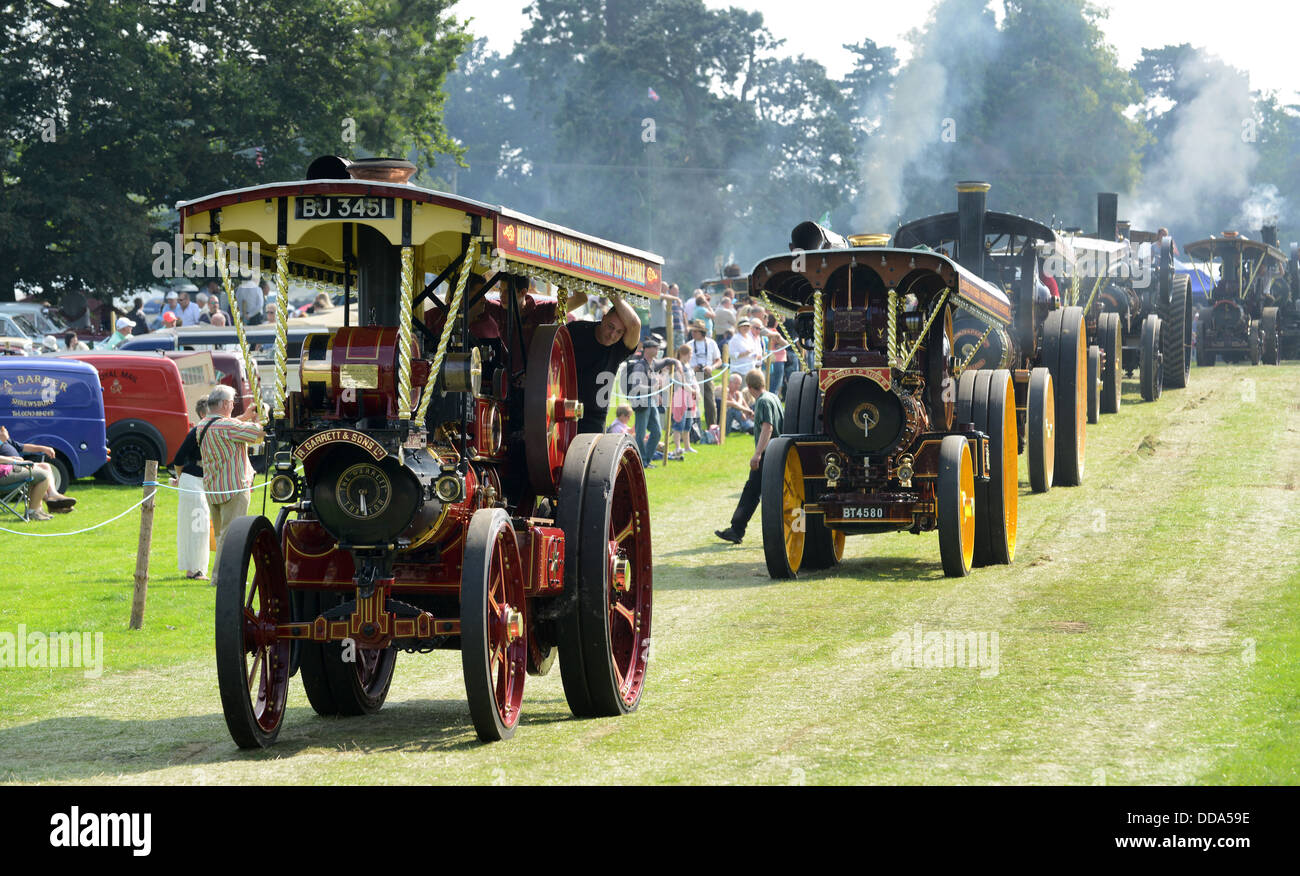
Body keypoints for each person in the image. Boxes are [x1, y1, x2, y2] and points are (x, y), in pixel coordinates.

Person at [199, 385, 264, 586]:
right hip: (234, 488)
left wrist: (244, 416)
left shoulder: (203, 425)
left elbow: (230, 426)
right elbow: (259, 433)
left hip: (213, 489)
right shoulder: (227, 426)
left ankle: (224, 576)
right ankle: (221, 578)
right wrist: (265, 414)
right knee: (231, 536)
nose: (233, 405)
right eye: (232, 402)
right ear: (225, 404)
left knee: (221, 536)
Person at [715, 369, 783, 544]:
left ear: (749, 387)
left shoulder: (762, 401)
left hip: (768, 454)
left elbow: (768, 428)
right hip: (779, 453)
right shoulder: (773, 397)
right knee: (761, 493)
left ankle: (736, 530)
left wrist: (757, 454)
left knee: (751, 492)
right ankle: (737, 529)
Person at [563, 288, 640, 434]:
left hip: (594, 417)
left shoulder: (620, 348)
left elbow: (635, 324)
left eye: (619, 332)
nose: (612, 335)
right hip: (564, 407)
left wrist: (610, 291)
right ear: (603, 318)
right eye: (611, 327)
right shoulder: (577, 330)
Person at [171, 398, 211, 580]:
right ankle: (195, 569)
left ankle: (196, 568)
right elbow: (178, 458)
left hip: (201, 481)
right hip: (193, 480)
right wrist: (180, 478)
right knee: (198, 525)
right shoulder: (196, 432)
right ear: (204, 413)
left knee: (200, 525)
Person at [621, 335, 674, 467]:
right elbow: (637, 387)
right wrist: (654, 388)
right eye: (655, 348)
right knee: (640, 433)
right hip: (641, 403)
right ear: (648, 349)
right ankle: (641, 461)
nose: (658, 350)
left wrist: (676, 363)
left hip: (651, 401)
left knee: (656, 432)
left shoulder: (652, 364)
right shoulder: (640, 365)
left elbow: (667, 361)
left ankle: (646, 460)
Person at [0, 425, 76, 516]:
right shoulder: (2, 441)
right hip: (11, 469)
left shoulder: (7, 441)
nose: (4, 431)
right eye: (2, 430)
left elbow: (23, 447)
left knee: (45, 466)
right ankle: (49, 504)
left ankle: (53, 496)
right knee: (40, 474)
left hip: (20, 466)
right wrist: (2, 442)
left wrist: (43, 448)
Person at [687, 319, 722, 431]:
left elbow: (719, 361)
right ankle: (691, 429)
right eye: (692, 331)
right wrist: (693, 368)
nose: (693, 333)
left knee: (710, 403)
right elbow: (684, 363)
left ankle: (712, 428)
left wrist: (711, 367)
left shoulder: (711, 343)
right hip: (692, 375)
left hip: (707, 374)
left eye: (696, 331)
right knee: (692, 402)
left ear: (702, 332)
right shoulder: (689, 345)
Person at [668, 343, 699, 459]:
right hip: (680, 396)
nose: (691, 356)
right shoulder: (678, 366)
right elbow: (682, 382)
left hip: (690, 396)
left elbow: (693, 380)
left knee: (688, 423)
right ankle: (677, 447)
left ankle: (687, 446)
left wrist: (696, 390)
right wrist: (692, 390)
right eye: (690, 354)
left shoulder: (688, 366)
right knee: (679, 423)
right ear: (683, 354)